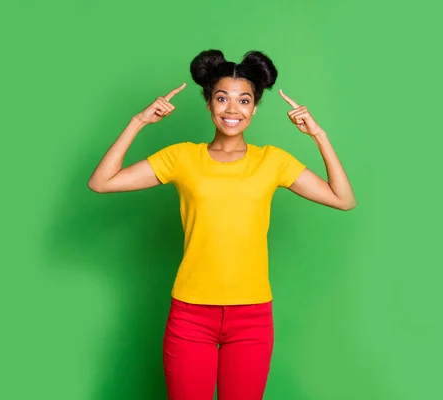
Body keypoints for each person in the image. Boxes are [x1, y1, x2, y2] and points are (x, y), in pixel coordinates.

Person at [88, 49, 356, 400]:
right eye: (222, 98)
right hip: (190, 316)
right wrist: (139, 122)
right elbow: (102, 181)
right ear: (209, 104)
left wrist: (318, 135)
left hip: (252, 317)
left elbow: (343, 199)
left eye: (244, 100)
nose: (233, 109)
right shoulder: (182, 157)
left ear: (255, 107)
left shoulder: (272, 161)